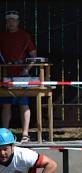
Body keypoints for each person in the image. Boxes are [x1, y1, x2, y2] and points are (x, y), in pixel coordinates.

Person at [0, 11, 36, 143]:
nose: (11, 22)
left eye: (14, 20)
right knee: (6, 105)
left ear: (18, 22)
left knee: (24, 104)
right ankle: (4, 134)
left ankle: (25, 134)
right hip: (6, 76)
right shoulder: (2, 36)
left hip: (21, 77)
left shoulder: (24, 36)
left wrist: (26, 69)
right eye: (9, 20)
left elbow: (33, 56)